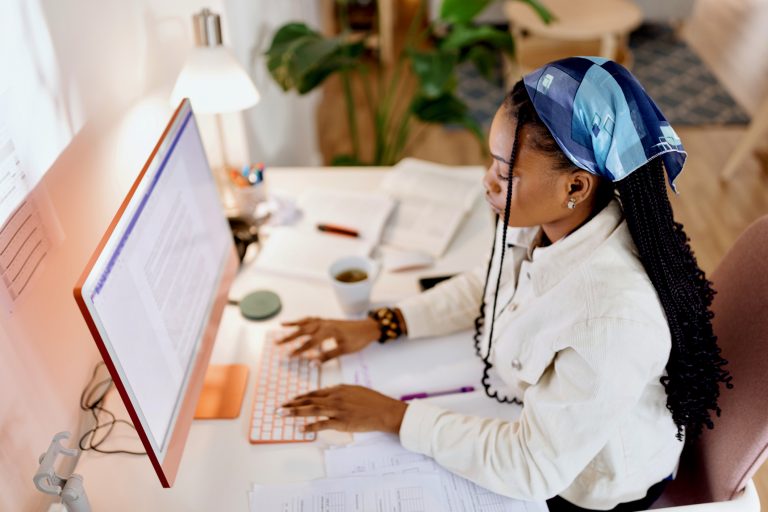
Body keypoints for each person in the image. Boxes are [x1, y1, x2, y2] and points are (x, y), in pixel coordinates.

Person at [277, 57, 732, 511]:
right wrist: (384, 324)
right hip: (535, 421)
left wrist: (392, 416)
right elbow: (491, 281)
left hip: (581, 486)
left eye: (504, 171)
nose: (487, 182)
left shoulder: (612, 316)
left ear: (575, 186)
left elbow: (531, 467)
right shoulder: (558, 217)